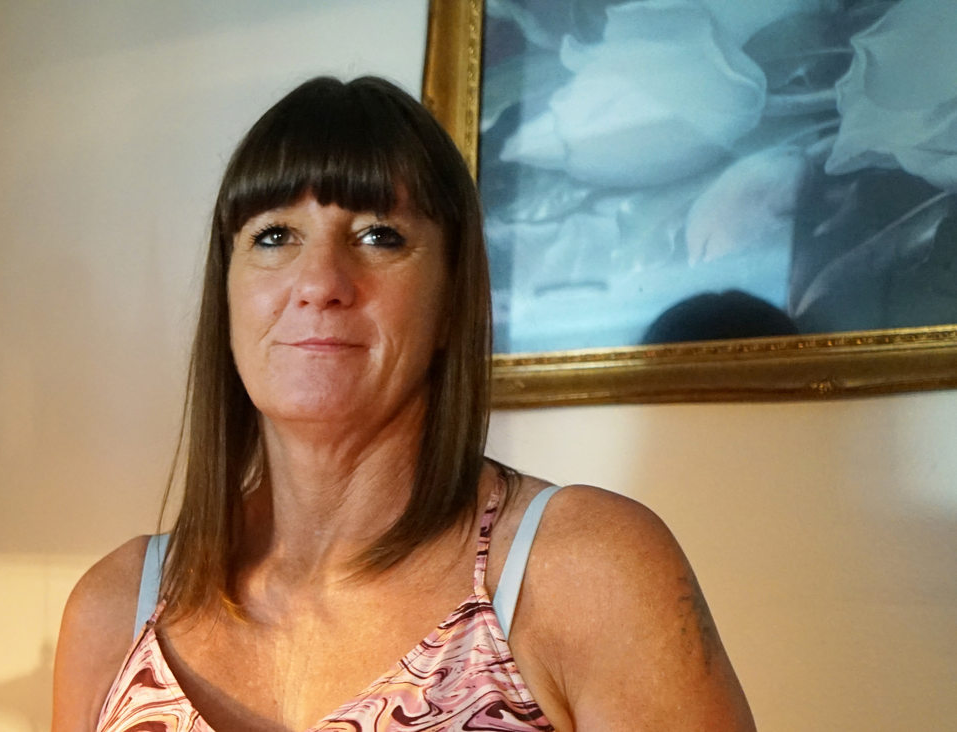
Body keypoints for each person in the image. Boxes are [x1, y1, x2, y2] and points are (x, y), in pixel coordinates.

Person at [51, 77, 755, 731]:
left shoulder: (584, 571)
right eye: (274, 236)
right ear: (227, 292)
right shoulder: (116, 608)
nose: (320, 281)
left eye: (379, 236)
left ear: (452, 299)